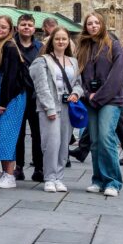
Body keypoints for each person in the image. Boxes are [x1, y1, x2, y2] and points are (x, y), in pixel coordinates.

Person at [77, 11, 123, 197]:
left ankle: (113, 181)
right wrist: (88, 94)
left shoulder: (113, 45)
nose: (93, 26)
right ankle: (98, 179)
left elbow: (119, 74)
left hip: (111, 99)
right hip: (91, 100)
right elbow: (80, 75)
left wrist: (98, 96)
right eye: (89, 23)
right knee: (95, 141)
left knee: (106, 137)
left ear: (102, 25)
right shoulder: (83, 48)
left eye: (96, 23)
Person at [29, 25, 82, 192]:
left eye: (64, 39)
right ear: (52, 41)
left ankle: (59, 177)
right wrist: (49, 108)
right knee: (51, 143)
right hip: (49, 107)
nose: (61, 41)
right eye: (57, 38)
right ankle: (49, 177)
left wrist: (76, 93)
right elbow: (41, 87)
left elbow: (79, 84)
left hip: (68, 106)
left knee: (64, 143)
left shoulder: (73, 61)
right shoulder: (42, 60)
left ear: (68, 42)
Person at [0, 15, 27, 189]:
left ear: (10, 30)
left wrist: (4, 102)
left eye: (3, 27)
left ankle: (9, 174)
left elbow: (11, 75)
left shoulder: (9, 47)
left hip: (10, 96)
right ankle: (5, 172)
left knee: (6, 135)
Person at [14, 13, 43, 182]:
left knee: (37, 133)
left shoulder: (40, 48)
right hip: (17, 95)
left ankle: (39, 167)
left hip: (35, 96)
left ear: (34, 28)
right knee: (18, 133)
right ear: (18, 27)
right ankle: (18, 167)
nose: (26, 27)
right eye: (23, 24)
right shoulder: (11, 45)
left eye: (29, 25)